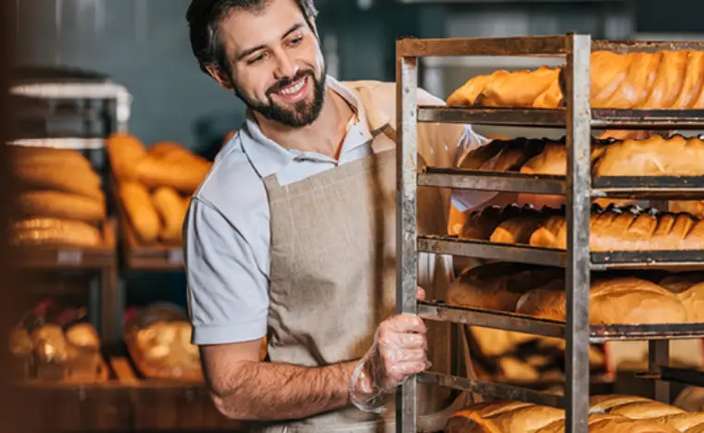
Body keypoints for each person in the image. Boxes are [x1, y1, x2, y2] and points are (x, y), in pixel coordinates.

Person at [183, 1, 491, 431]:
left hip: (450, 419)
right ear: (220, 74)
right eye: (257, 57)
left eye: (295, 39)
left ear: (313, 26)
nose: (288, 68)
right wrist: (363, 377)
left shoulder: (407, 113)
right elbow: (232, 388)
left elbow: (510, 195)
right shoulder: (226, 204)